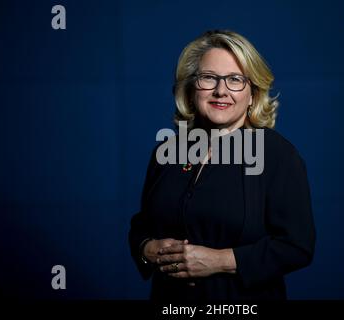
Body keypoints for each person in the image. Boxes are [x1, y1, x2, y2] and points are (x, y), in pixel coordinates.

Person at [128, 30, 316, 301]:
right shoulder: (167, 151)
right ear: (192, 89)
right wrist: (147, 249)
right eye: (208, 78)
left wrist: (221, 260)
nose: (221, 90)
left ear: (253, 94)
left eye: (235, 80)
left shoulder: (277, 156)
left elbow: (298, 245)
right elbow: (142, 224)